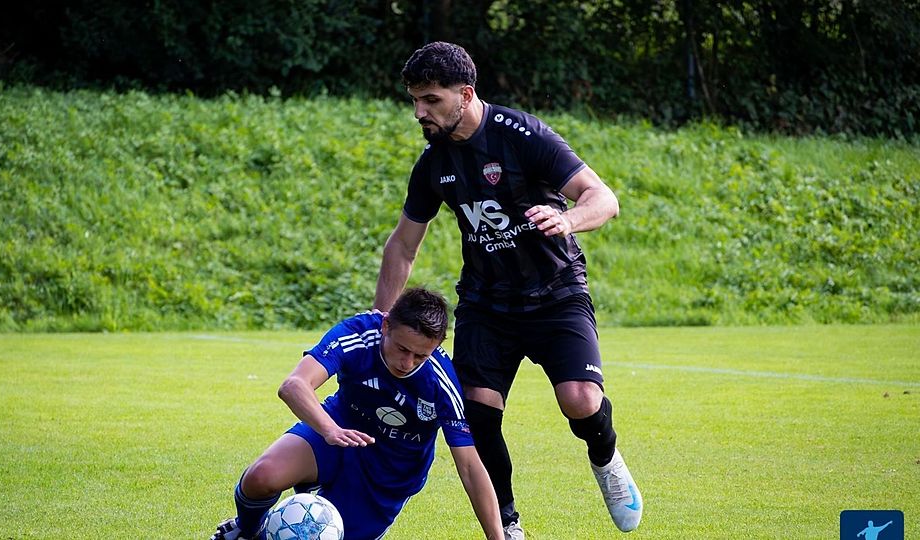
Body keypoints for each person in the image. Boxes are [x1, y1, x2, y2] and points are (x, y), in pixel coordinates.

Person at [372, 42, 642, 538]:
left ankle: (605, 458)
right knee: (477, 413)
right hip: (486, 304)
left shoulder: (523, 135)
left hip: (556, 292)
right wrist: (379, 324)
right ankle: (508, 524)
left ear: (465, 94)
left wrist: (568, 219)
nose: (419, 112)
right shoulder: (433, 164)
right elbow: (403, 247)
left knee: (581, 400)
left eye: (430, 100)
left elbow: (603, 198)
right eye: (414, 100)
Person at [211, 287, 504, 540]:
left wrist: (496, 537)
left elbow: (469, 466)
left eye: (420, 356)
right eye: (402, 349)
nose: (407, 363)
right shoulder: (358, 334)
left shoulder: (441, 382)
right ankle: (246, 530)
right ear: (386, 325)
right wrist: (329, 430)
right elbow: (294, 385)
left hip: (390, 471)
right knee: (262, 476)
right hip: (338, 428)